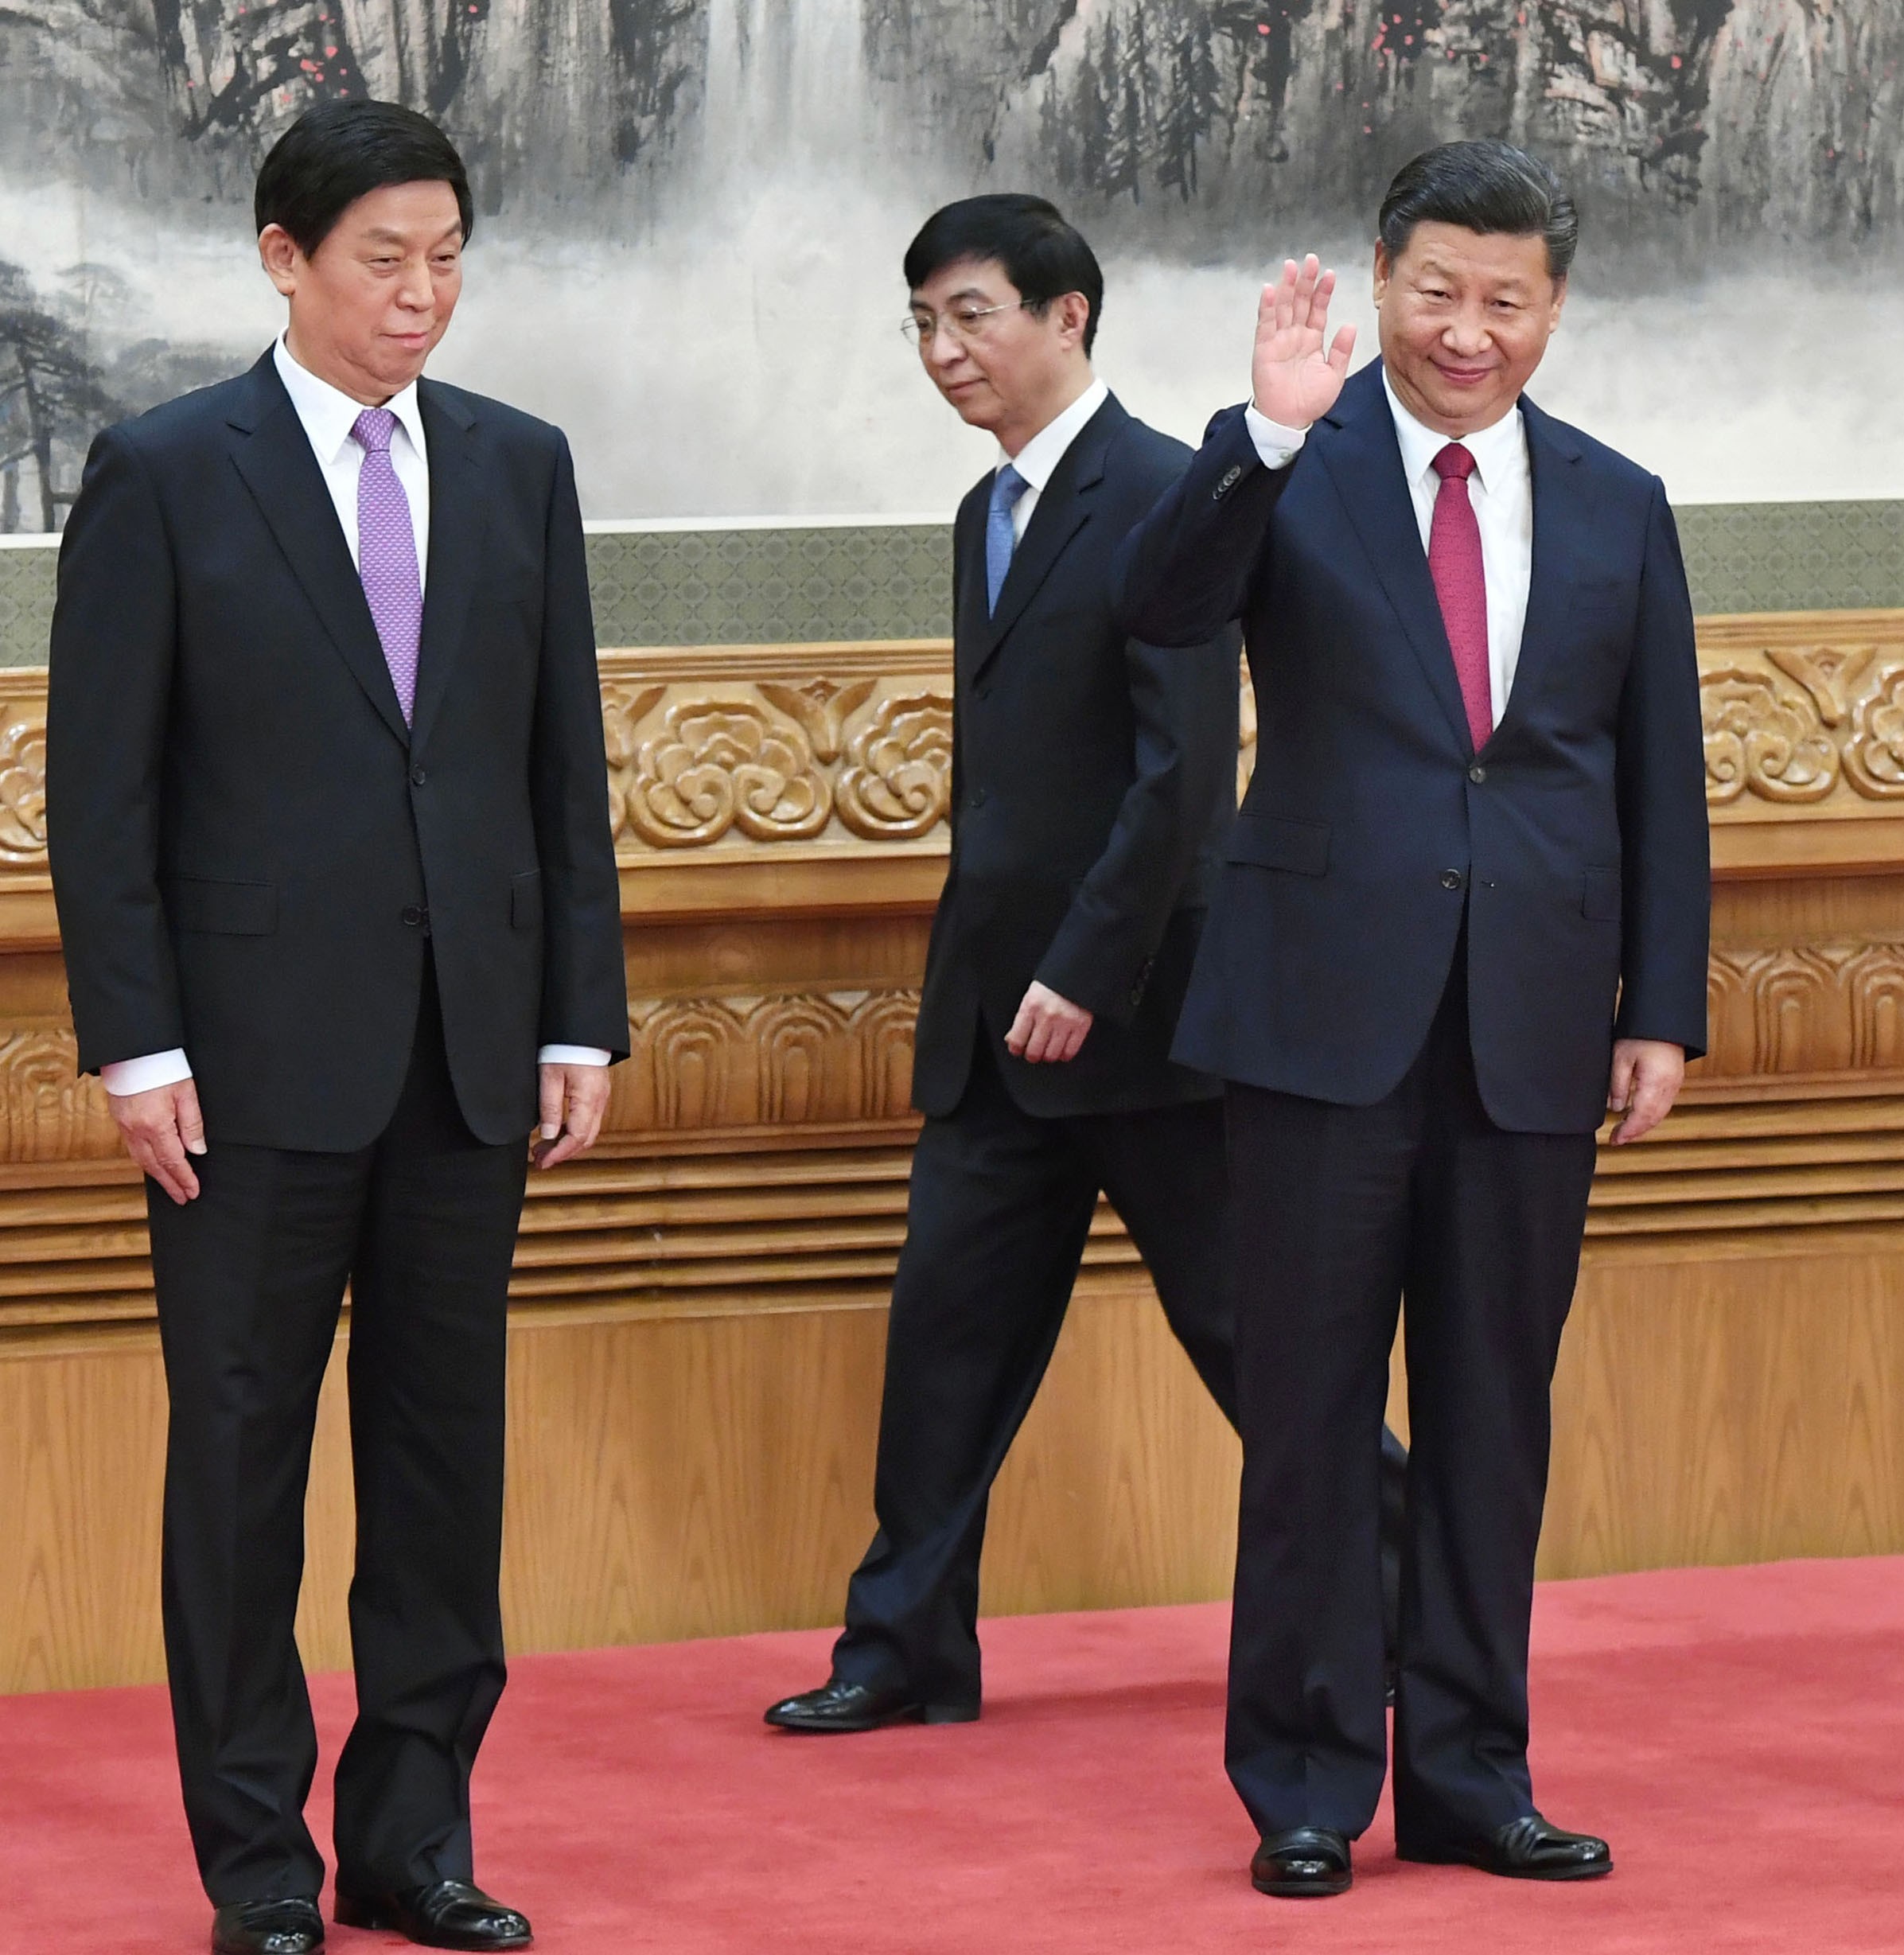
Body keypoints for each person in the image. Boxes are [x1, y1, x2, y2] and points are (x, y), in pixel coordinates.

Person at [47, 100, 626, 1955]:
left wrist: (578, 1016)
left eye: (449, 256)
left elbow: (560, 772)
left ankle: (411, 1836)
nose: (423, 294)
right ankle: (260, 1867)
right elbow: (100, 791)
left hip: (471, 1051)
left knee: (444, 1465)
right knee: (242, 1467)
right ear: (283, 258)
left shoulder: (520, 464)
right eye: (385, 257)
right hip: (244, 1067)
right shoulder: (164, 468)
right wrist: (136, 1043)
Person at [1115, 141, 1710, 1897]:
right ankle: (1304, 1778)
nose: (1470, 330)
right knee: (1305, 1415)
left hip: (1532, 1021)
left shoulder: (1615, 497)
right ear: (1380, 283)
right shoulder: (1296, 461)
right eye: (1437, 292)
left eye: (1506, 300)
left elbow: (1655, 778)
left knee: (1489, 1414)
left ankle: (1470, 1769)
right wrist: (1262, 434)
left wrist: (1656, 1007)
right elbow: (1158, 612)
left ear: (1554, 307)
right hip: (1316, 1017)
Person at [764, 197, 1408, 1739]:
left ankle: (1415, 1598)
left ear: (1068, 317)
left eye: (971, 315)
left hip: (1146, 1016)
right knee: (946, 1338)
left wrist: (1088, 965)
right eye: (922, 323)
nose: (942, 351)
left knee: (1256, 1338)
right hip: (993, 1022)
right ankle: (904, 1645)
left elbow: (1182, 774)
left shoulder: (1165, 491)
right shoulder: (984, 511)